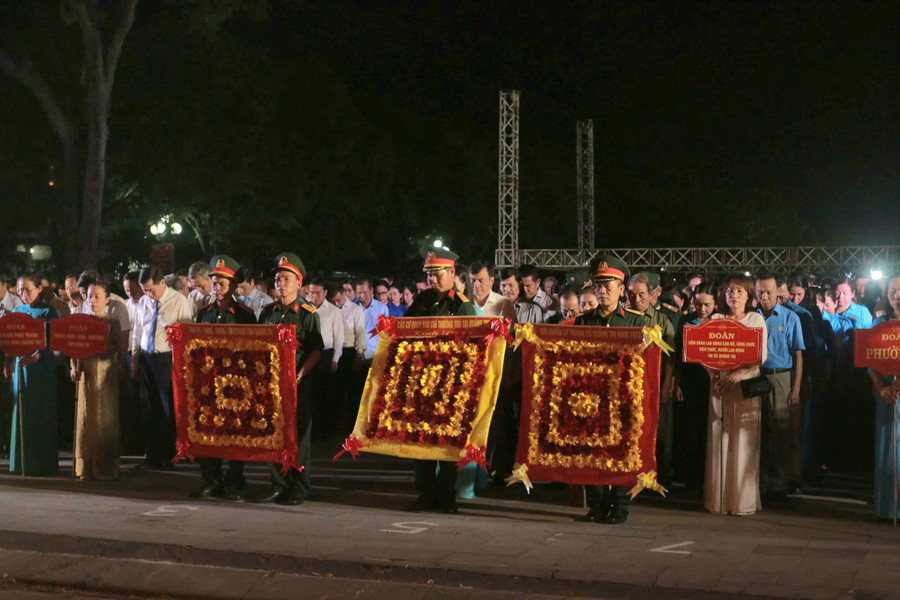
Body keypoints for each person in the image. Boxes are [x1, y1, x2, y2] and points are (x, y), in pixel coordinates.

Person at [574, 256, 648, 525]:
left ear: (621, 288)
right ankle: (595, 504)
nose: (602, 291)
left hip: (623, 399)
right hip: (590, 399)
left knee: (622, 453)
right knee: (589, 452)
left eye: (608, 285)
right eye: (598, 285)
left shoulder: (637, 323)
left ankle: (619, 506)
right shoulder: (582, 322)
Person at [405, 247, 477, 514]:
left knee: (447, 442)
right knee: (421, 441)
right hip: (421, 381)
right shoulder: (422, 300)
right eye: (430, 274)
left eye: (438, 274)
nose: (433, 279)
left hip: (450, 385)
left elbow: (471, 347)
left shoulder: (461, 304)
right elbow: (404, 330)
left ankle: (447, 495)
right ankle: (425, 493)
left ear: (452, 273)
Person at [254, 253, 323, 506]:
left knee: (298, 437)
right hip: (271, 385)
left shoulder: (307, 313)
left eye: (286, 278)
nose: (281, 283)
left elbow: (316, 349)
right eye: (277, 279)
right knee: (274, 435)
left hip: (298, 385)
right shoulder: (267, 313)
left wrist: (300, 374)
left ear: (298, 283)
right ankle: (278, 484)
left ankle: (299, 486)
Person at [191, 255, 257, 500]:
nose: (217, 289)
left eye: (222, 284)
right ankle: (211, 480)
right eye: (214, 283)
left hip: (236, 385)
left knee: (235, 435)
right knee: (208, 433)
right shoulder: (204, 313)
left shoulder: (244, 314)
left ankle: (236, 481)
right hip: (209, 383)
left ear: (233, 285)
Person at [705, 274, 768, 516]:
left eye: (740, 291)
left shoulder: (755, 320)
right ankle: (719, 500)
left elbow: (760, 356)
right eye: (730, 290)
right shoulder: (716, 319)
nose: (734, 294)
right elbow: (703, 349)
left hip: (746, 386)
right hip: (719, 386)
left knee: (743, 440)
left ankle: (742, 501)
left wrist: (737, 376)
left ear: (750, 297)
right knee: (719, 436)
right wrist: (713, 374)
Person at [131, 266, 193, 469]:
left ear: (162, 283)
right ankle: (152, 455)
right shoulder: (143, 302)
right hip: (146, 358)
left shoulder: (178, 301)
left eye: (151, 290)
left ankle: (169, 455)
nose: (148, 294)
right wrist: (134, 360)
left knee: (167, 409)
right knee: (148, 408)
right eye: (144, 290)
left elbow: (186, 335)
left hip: (168, 359)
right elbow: (137, 331)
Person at [3, 274, 60, 475]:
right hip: (21, 366)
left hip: (41, 368)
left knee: (40, 411)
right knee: (22, 410)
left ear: (38, 289)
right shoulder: (17, 311)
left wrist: (36, 357)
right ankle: (21, 462)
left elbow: (53, 339)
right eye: (20, 290)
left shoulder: (49, 311)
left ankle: (41, 463)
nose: (24, 294)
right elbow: (11, 338)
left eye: (28, 290)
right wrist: (8, 360)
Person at [755, 272, 805, 498]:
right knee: (758, 429)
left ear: (778, 293)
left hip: (780, 377)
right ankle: (760, 481)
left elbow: (798, 356)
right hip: (756, 376)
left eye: (769, 292)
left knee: (781, 430)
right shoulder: (750, 318)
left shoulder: (790, 318)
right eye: (760, 292)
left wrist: (795, 390)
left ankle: (780, 481)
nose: (764, 297)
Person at [627, 272, 676, 486]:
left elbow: (670, 359)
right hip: (628, 388)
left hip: (654, 387)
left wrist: (665, 387)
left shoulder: (662, 320)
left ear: (651, 295)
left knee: (660, 434)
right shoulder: (621, 318)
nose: (636, 300)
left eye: (641, 295)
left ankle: (660, 479)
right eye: (631, 295)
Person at [70, 281, 123, 480]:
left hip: (105, 374)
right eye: (89, 296)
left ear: (107, 299)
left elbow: (116, 346)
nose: (92, 300)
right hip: (86, 374)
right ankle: (85, 467)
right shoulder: (79, 320)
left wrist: (99, 342)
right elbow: (72, 348)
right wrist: (74, 368)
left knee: (104, 419)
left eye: (97, 296)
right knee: (86, 417)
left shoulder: (112, 321)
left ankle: (105, 467)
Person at [673, 281, 718, 492]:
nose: (703, 309)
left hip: (714, 384)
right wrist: (678, 383)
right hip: (691, 383)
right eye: (699, 304)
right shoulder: (685, 321)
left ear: (715, 304)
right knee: (691, 431)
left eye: (707, 305)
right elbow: (678, 356)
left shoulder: (721, 323)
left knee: (710, 431)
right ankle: (692, 480)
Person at [868, 275, 900, 521]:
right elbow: (870, 360)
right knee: (886, 449)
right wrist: (881, 387)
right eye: (892, 291)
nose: (896, 296)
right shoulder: (878, 324)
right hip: (886, 395)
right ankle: (886, 509)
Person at [307, 277, 344, 439]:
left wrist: (335, 359)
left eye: (318, 293)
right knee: (310, 394)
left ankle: (326, 430)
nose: (314, 296)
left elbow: (339, 337)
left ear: (325, 292)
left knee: (326, 394)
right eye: (311, 293)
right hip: (308, 356)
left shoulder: (333, 311)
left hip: (325, 356)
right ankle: (312, 430)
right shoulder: (304, 309)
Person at [328, 283, 367, 433]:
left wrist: (358, 356)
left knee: (352, 392)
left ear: (344, 295)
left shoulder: (355, 310)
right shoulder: (331, 310)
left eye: (338, 300)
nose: (336, 304)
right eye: (333, 301)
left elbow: (360, 335)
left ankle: (352, 426)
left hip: (349, 353)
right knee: (335, 391)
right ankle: (335, 424)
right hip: (333, 353)